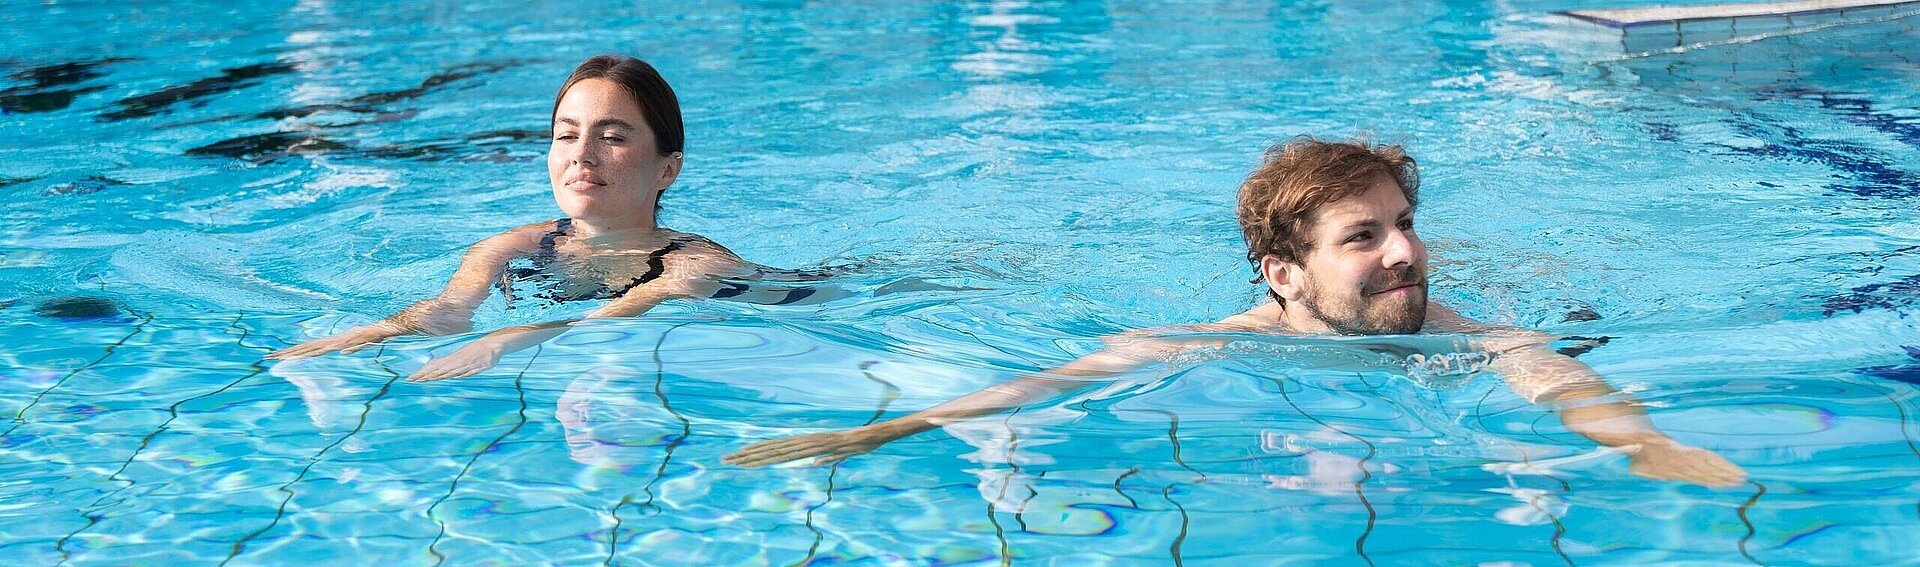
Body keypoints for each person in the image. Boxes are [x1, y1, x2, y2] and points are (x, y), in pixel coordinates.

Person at [725, 136, 1749, 487]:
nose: (1407, 252)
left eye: (1406, 223)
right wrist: (875, 433)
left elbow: (1561, 381)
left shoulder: (1473, 334)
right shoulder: (1196, 345)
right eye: (1364, 237)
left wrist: (1644, 448)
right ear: (1281, 276)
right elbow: (1039, 387)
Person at [268, 55, 822, 381]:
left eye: (611, 137)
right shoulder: (507, 247)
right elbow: (450, 310)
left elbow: (606, 324)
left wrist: (503, 340)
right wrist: (378, 331)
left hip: (816, 299)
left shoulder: (691, 265)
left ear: (667, 170)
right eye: (566, 135)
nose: (582, 155)